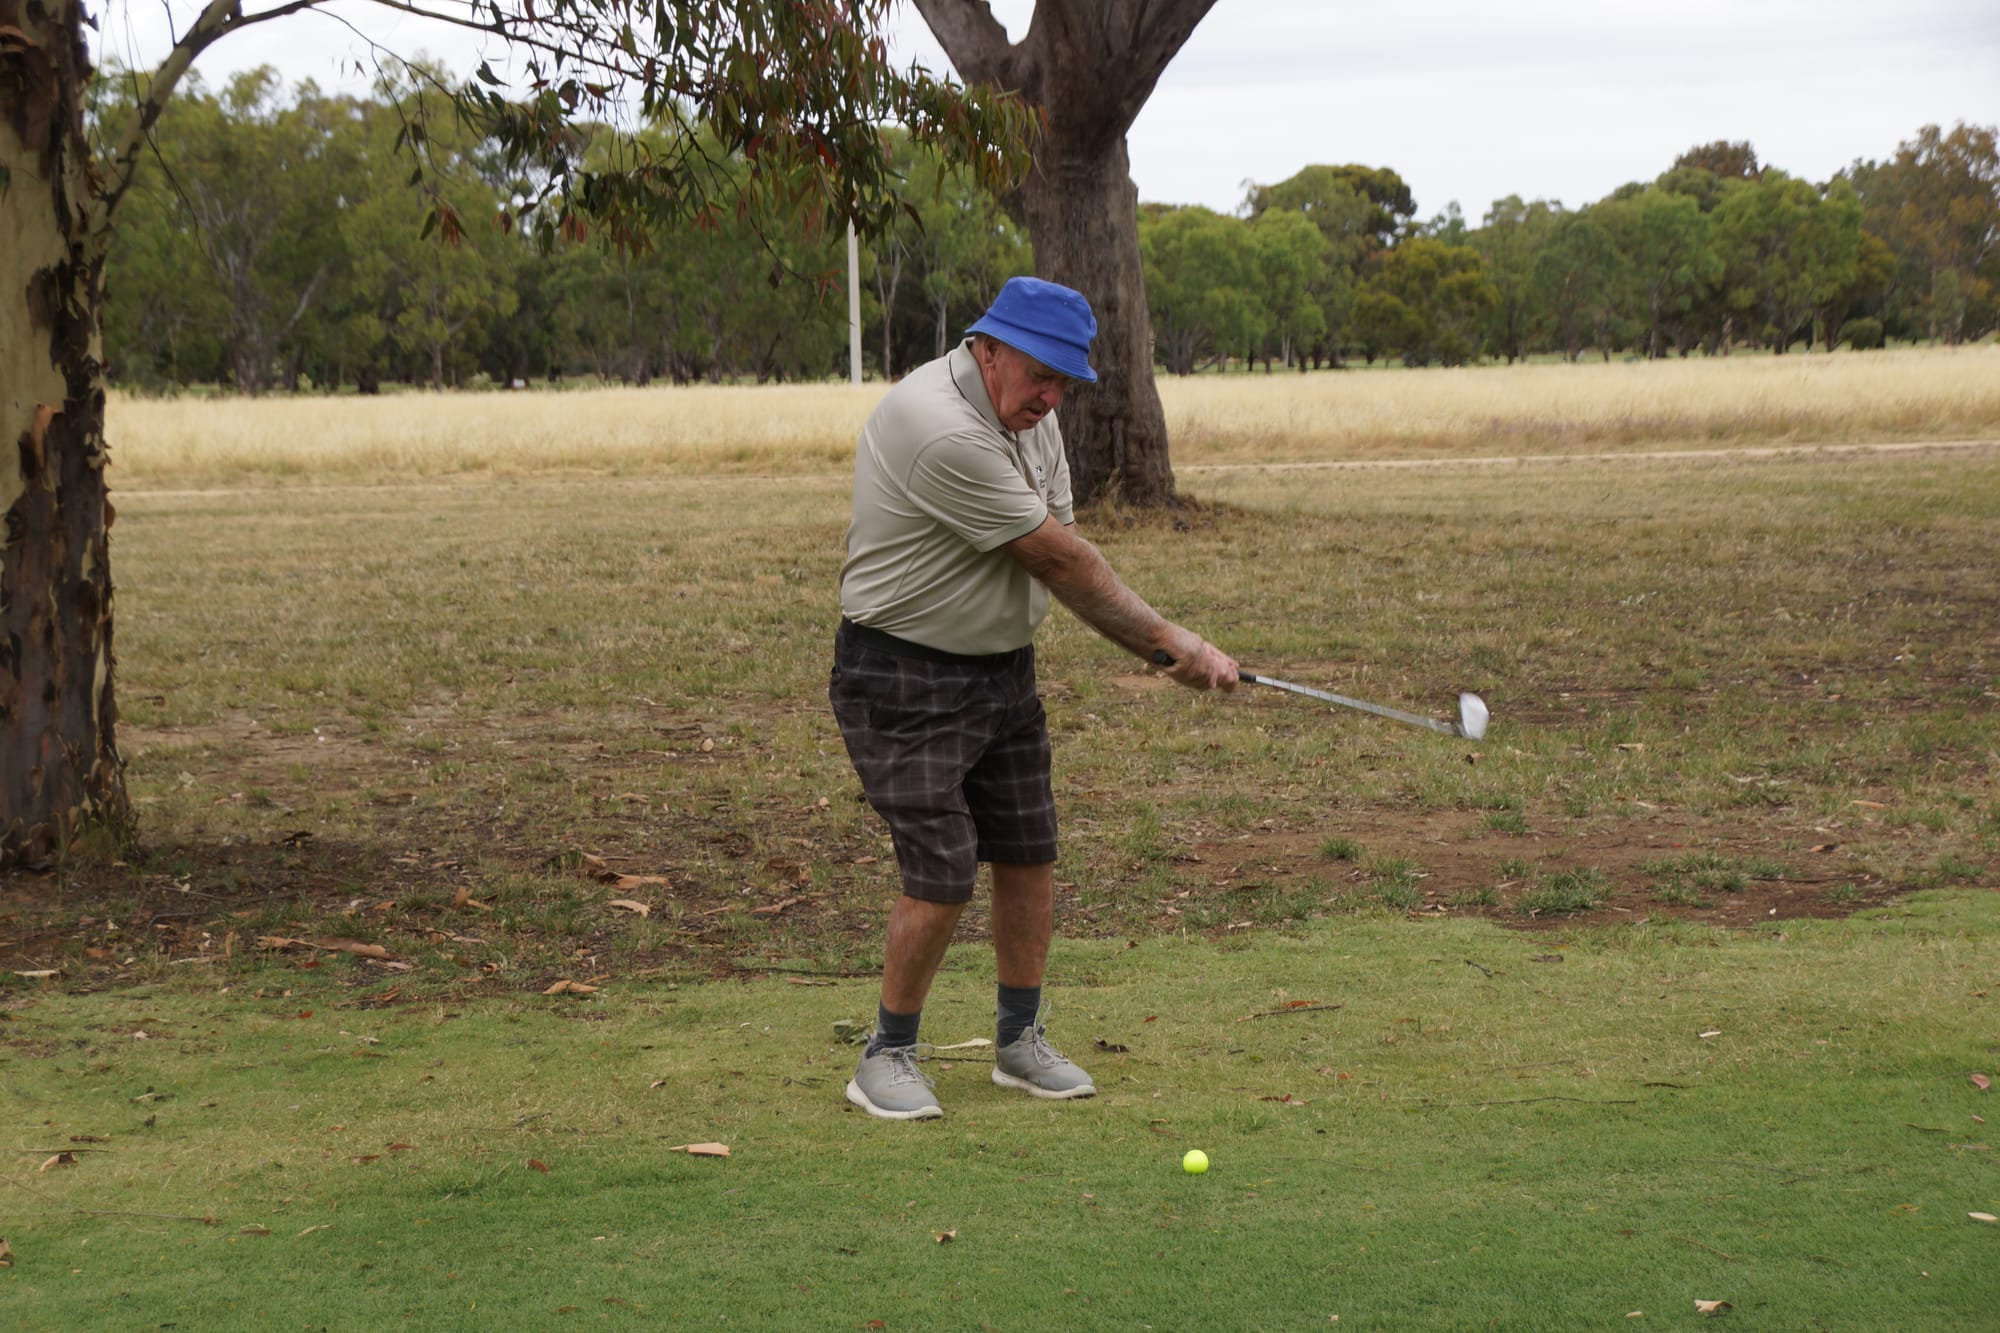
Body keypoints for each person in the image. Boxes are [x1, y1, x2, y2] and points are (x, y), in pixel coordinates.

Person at [829, 276, 1239, 1121]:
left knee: (1028, 850)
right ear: (987, 347)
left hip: (1001, 667)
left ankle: (1018, 1042)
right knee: (942, 869)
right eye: (1040, 374)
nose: (1051, 398)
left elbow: (1055, 533)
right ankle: (886, 1053)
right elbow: (1062, 560)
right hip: (903, 674)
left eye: (1064, 382)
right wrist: (1175, 648)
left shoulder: (1032, 418)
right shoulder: (934, 425)